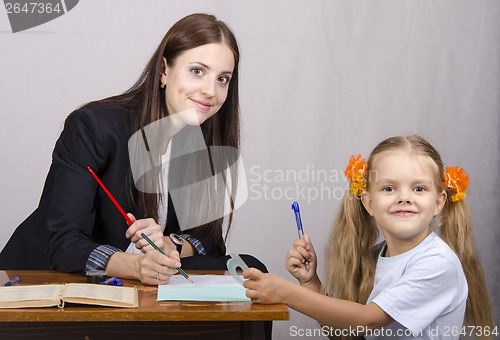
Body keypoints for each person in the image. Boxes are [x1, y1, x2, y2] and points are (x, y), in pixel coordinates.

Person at [0, 13, 267, 285]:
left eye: (223, 79)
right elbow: (63, 242)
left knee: (253, 271)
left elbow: (210, 241)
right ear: (164, 71)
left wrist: (169, 244)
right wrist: (136, 265)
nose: (211, 91)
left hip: (133, 287)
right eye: (197, 71)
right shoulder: (94, 126)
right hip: (43, 280)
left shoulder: (206, 145)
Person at [243, 135, 494, 339]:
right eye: (389, 188)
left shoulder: (438, 263)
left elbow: (368, 320)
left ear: (439, 203)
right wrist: (311, 284)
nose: (404, 197)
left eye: (419, 188)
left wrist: (284, 293)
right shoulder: (376, 256)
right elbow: (347, 332)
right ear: (369, 203)